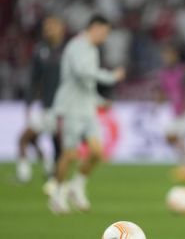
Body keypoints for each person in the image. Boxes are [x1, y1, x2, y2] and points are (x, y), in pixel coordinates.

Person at [48, 15, 125, 214]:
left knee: (98, 152)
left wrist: (99, 101)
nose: (105, 37)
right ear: (95, 28)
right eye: (105, 32)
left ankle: (77, 186)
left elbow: (87, 85)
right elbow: (82, 72)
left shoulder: (92, 49)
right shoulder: (77, 46)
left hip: (87, 108)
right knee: (70, 154)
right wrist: (111, 76)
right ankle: (57, 195)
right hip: (71, 108)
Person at [16, 16, 66, 188]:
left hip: (63, 108)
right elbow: (34, 79)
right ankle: (26, 173)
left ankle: (55, 177)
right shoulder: (40, 50)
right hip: (45, 107)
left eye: (52, 26)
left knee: (58, 144)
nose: (48, 30)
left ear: (61, 28)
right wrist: (29, 103)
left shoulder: (68, 50)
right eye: (46, 27)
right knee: (25, 138)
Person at [156, 44, 185, 181]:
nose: (165, 58)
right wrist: (158, 100)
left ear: (175, 55)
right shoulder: (164, 73)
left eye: (168, 54)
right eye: (164, 55)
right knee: (173, 138)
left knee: (173, 137)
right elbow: (164, 92)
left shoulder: (183, 70)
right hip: (174, 110)